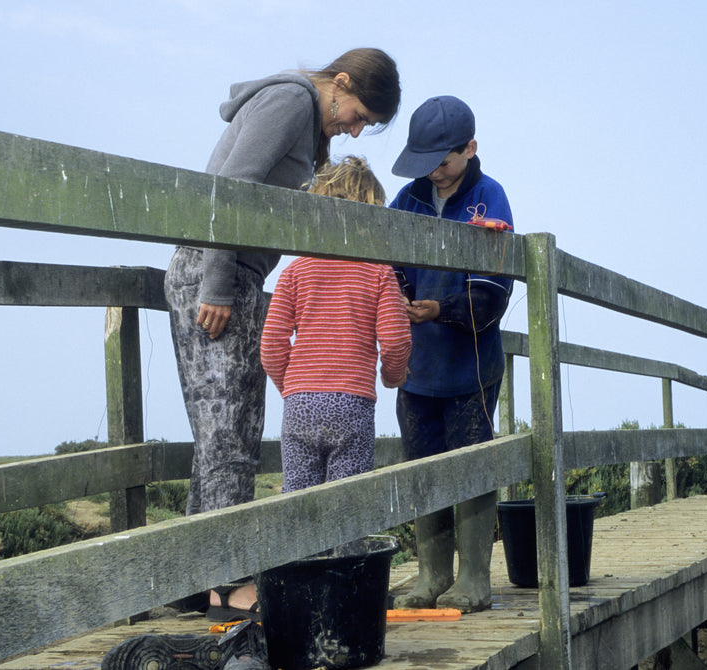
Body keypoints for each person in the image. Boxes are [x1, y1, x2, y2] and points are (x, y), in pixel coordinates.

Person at [164, 49, 401, 620]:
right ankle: (227, 584)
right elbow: (230, 187)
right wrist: (218, 283)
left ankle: (197, 580)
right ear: (339, 83)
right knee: (231, 437)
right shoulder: (293, 100)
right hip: (216, 273)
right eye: (360, 114)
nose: (356, 128)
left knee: (227, 433)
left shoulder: (301, 112)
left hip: (231, 272)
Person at [388, 96, 514, 614]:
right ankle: (431, 573)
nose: (435, 173)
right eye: (427, 163)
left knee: (471, 468)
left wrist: (437, 309)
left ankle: (475, 577)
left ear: (470, 149)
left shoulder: (491, 197)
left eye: (443, 161)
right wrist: (392, 299)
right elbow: (388, 269)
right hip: (417, 369)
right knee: (421, 469)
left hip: (471, 369)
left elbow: (492, 296)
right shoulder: (406, 199)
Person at [260, 156, 411, 492]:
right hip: (352, 402)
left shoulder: (294, 272)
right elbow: (396, 341)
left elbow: (271, 346)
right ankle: (345, 547)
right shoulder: (378, 272)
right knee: (347, 502)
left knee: (298, 501)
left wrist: (296, 386)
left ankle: (304, 548)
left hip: (299, 402)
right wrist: (392, 377)